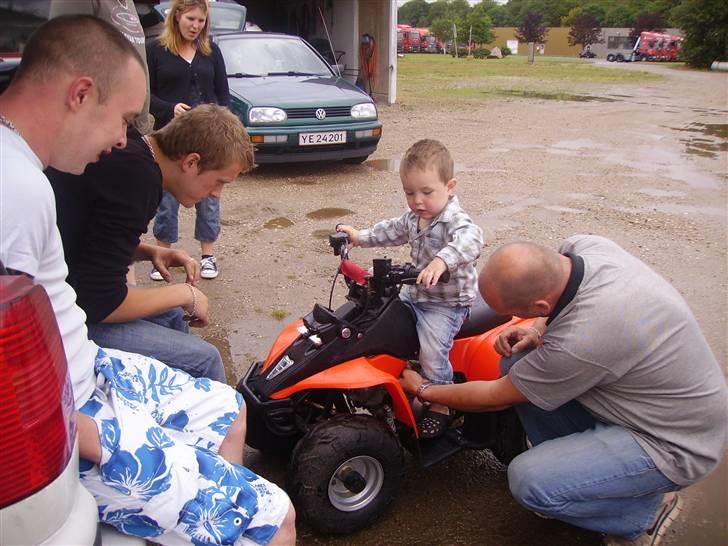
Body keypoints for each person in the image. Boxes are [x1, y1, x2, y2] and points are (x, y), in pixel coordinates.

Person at [0, 15, 295, 545]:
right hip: (75, 409)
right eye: (124, 119)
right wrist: (92, 434)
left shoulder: (24, 170)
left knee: (230, 406)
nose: (122, 139)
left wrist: (150, 248)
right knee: (276, 513)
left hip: (89, 370)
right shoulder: (14, 189)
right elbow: (70, 322)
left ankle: (195, 508)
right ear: (81, 94)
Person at [400, 235, 728, 545]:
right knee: (519, 362)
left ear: (541, 304)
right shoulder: (585, 246)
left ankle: (643, 514)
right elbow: (555, 307)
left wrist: (425, 389)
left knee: (531, 483)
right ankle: (582, 472)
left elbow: (495, 397)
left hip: (676, 443)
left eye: (521, 313)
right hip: (657, 402)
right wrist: (536, 329)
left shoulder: (585, 338)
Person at [47, 104, 248, 383]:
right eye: (219, 182)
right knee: (205, 359)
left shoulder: (134, 153)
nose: (216, 194)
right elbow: (100, 302)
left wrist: (145, 251)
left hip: (66, 289)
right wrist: (185, 294)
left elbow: (87, 240)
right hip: (57, 318)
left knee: (173, 318)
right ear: (191, 162)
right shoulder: (138, 179)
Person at [338, 139, 483, 439]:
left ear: (450, 186)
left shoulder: (454, 219)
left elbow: (473, 238)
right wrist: (358, 237)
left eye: (427, 192)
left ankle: (442, 401)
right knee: (376, 320)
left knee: (432, 349)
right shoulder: (415, 217)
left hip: (446, 303)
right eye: (409, 192)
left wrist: (443, 261)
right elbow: (389, 230)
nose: (417, 200)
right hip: (416, 293)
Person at [147, 0, 230, 281]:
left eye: (201, 21)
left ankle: (208, 256)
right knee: (167, 199)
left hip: (206, 141)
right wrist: (169, 108)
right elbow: (147, 95)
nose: (196, 26)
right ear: (177, 17)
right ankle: (163, 255)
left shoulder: (211, 52)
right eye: (190, 19)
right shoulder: (155, 51)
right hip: (170, 140)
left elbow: (223, 96)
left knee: (208, 197)